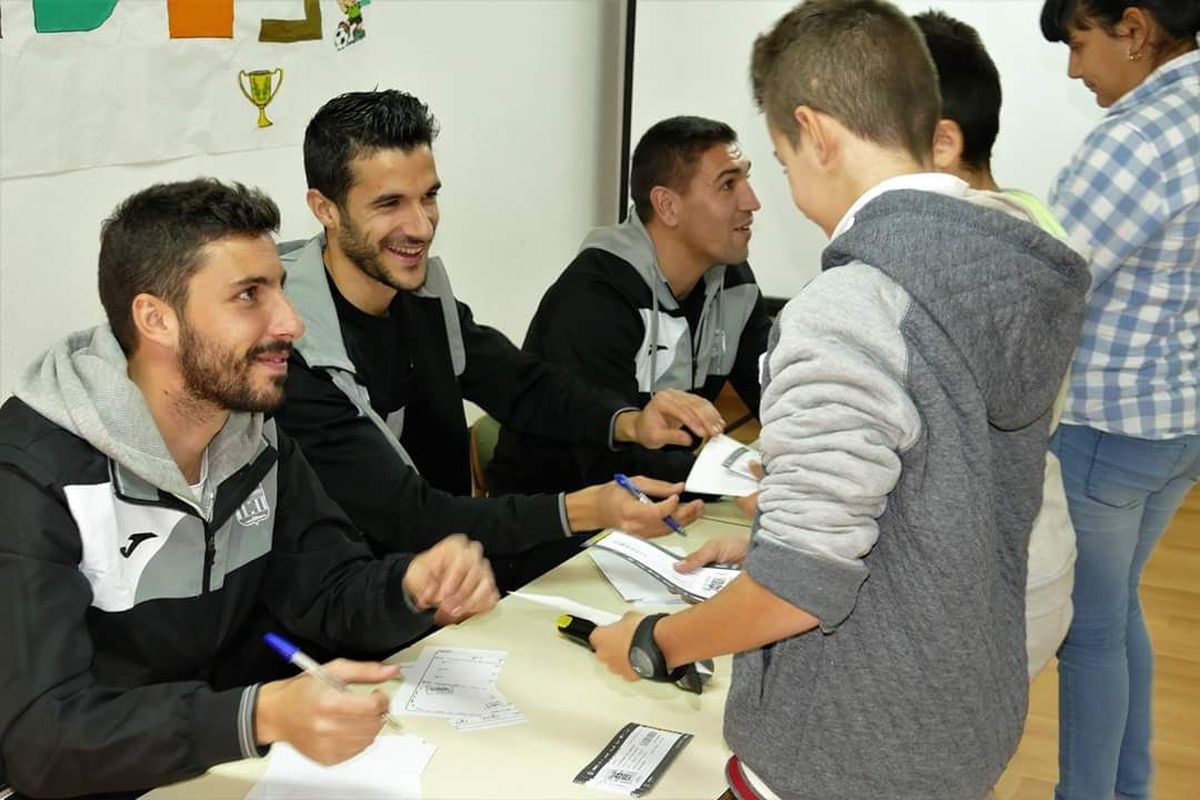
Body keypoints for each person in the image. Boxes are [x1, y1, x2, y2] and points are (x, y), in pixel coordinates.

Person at [588, 2, 1089, 798]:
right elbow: (934, 507)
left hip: (845, 745)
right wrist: (772, 543)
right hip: (963, 709)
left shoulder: (852, 307)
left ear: (816, 134)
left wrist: (656, 640)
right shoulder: (1014, 276)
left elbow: (803, 588)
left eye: (780, 159)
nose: (780, 187)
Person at [0, 179, 498, 797]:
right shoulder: (32, 475)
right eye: (248, 296)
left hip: (229, 772)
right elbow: (38, 739)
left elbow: (327, 591)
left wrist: (412, 587)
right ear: (156, 318)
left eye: (281, 289)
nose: (289, 322)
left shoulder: (256, 438)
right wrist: (257, 715)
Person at [274, 91, 722, 590]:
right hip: (361, 604)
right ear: (325, 209)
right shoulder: (290, 347)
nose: (421, 226)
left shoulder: (419, 293)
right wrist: (587, 508)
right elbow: (410, 516)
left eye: (429, 196)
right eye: (389, 203)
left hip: (449, 579)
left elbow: (522, 384)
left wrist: (631, 422)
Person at [1039, 1, 1200, 797]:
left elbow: (1047, 282)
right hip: (1176, 427)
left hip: (1106, 428)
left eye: (1080, 44)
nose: (1075, 70)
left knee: (1090, 632)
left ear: (1133, 30)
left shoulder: (1137, 137)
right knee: (1117, 611)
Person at [912, 9, 1078, 680]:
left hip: (978, 584)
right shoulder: (1031, 219)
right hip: (1035, 551)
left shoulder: (940, 253)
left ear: (942, 141)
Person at [488, 116, 771, 495]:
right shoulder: (593, 300)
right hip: (562, 525)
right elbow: (608, 466)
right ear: (667, 206)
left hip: (660, 507)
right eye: (728, 185)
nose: (751, 202)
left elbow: (776, 397)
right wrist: (735, 474)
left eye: (746, 179)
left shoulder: (732, 281)